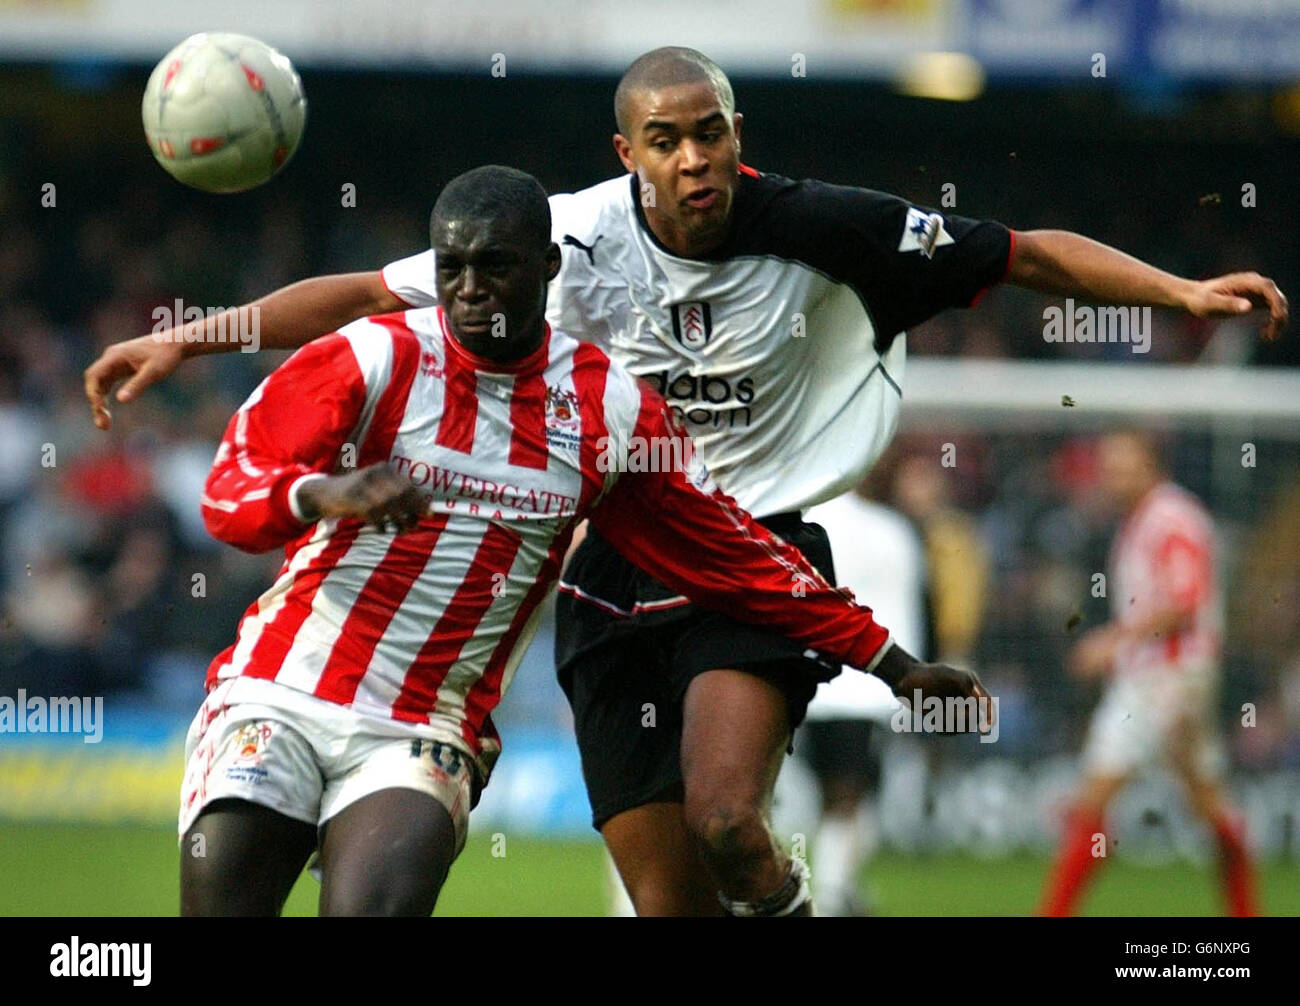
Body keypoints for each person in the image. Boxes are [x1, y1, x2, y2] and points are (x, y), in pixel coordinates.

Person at [86, 48, 1287, 916]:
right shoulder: (548, 240)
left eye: (709, 130)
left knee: (726, 823)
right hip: (610, 567)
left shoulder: (828, 228)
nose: (695, 157)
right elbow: (351, 297)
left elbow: (1023, 254)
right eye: (665, 139)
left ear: (733, 129)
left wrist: (1177, 293)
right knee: (666, 900)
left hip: (750, 553)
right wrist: (191, 337)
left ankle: (787, 894)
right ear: (628, 155)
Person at [181, 164, 983, 916]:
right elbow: (232, 494)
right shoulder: (369, 357)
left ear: (549, 266)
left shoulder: (608, 408)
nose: (467, 291)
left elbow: (732, 554)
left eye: (494, 265)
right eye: (451, 267)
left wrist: (892, 664)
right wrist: (324, 492)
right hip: (278, 690)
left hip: (423, 728)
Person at [1038, 431, 1259, 917]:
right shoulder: (1143, 520)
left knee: (1093, 798)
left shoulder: (1170, 519)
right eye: (1109, 468)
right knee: (1209, 805)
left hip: (1166, 677)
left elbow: (1185, 600)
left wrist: (1111, 641)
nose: (1113, 478)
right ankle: (1247, 912)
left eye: (1124, 467)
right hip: (1173, 676)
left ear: (1152, 466)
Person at [799, 480, 928, 916]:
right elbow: (914, 606)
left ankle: (836, 887)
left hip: (811, 682)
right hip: (870, 685)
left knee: (838, 794)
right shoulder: (892, 530)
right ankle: (833, 894)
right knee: (851, 795)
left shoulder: (806, 520)